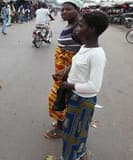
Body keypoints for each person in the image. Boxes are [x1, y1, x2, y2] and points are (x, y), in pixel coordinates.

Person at [55, 11, 109, 160]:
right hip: (74, 98)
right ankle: (79, 153)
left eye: (81, 25)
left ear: (91, 29)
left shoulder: (97, 55)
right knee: (74, 130)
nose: (77, 28)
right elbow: (76, 65)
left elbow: (94, 87)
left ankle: (70, 157)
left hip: (82, 102)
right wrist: (63, 72)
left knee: (73, 133)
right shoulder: (85, 47)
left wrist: (69, 85)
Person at [44, 0, 83, 139]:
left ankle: (61, 128)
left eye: (68, 9)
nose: (64, 12)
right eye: (63, 9)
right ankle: (63, 122)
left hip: (68, 72)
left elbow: (83, 55)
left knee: (58, 97)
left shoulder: (79, 29)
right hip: (62, 71)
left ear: (77, 9)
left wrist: (65, 72)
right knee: (62, 97)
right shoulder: (71, 25)